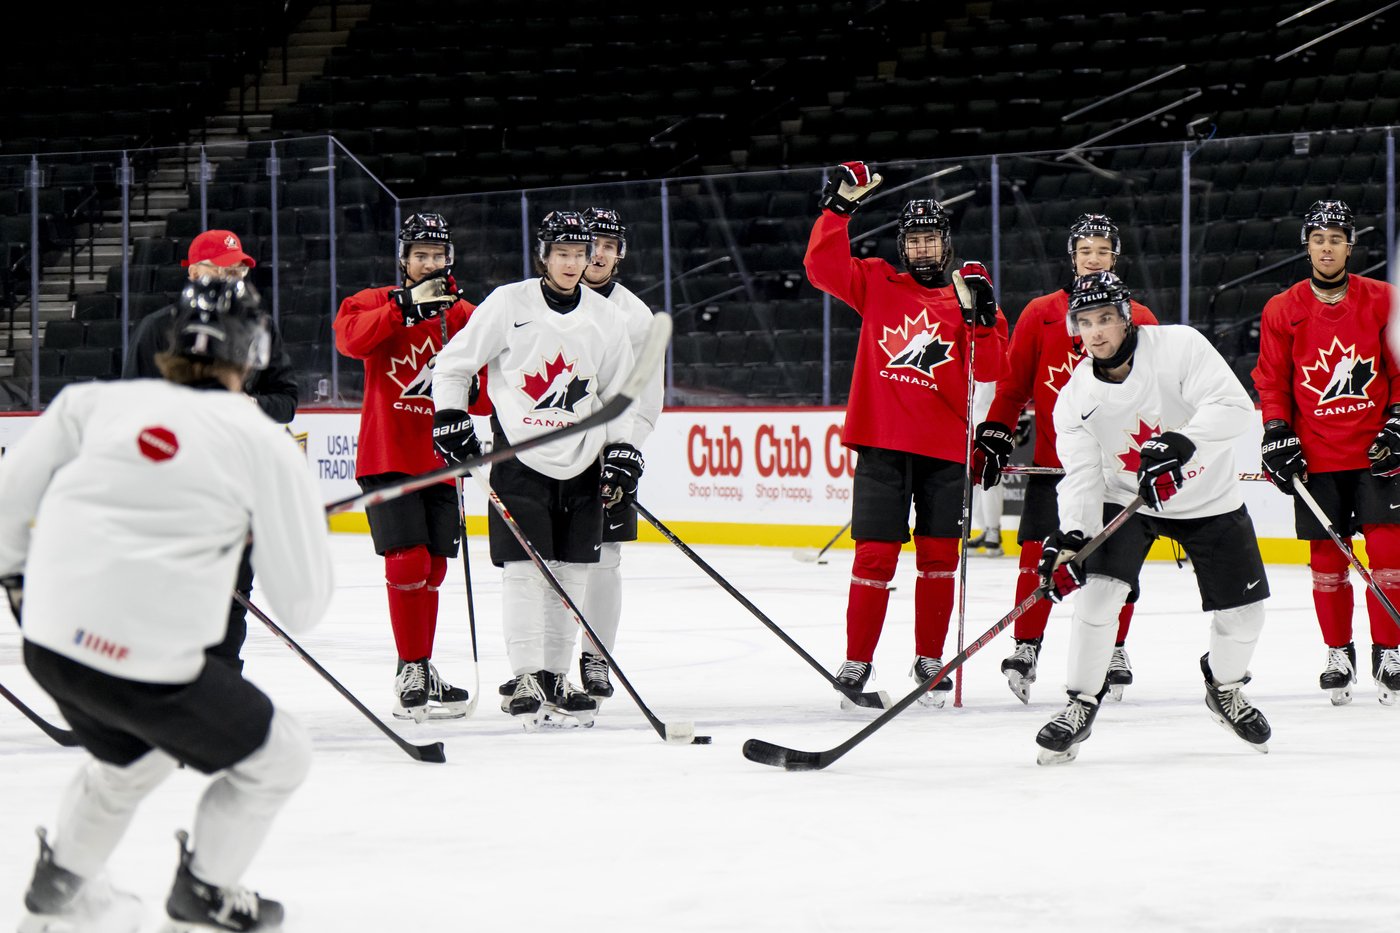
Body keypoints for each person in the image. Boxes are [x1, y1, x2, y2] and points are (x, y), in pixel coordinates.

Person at [2, 278, 333, 930]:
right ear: (253, 353)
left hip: (48, 645)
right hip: (149, 666)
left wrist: (16, 583)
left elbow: (9, 496)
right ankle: (205, 892)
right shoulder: (262, 439)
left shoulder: (92, 402)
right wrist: (280, 529)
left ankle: (61, 889)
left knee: (134, 757)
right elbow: (302, 606)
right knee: (281, 755)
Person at [1033, 271, 1271, 764]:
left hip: (1209, 498)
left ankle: (1225, 688)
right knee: (1099, 598)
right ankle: (1081, 701)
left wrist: (1183, 441)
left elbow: (1233, 408)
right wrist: (1072, 536)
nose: (1096, 332)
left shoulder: (1179, 346)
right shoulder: (1075, 398)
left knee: (1245, 613)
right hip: (1127, 499)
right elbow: (1082, 476)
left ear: (1126, 318)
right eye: (1084, 322)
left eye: (1105, 318)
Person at [804, 160, 1009, 707]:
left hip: (946, 451)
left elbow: (993, 370)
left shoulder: (969, 299)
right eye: (913, 240)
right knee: (874, 557)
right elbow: (821, 268)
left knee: (939, 560)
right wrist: (838, 211)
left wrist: (984, 321)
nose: (922, 249)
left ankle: (929, 658)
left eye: (930, 239)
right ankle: (857, 659)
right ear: (902, 245)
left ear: (946, 243)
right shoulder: (877, 282)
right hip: (882, 446)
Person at [432, 210, 638, 727]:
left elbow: (619, 393)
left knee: (573, 571)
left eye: (580, 253)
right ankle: (526, 674)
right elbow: (454, 363)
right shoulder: (508, 303)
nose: (572, 263)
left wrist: (622, 450)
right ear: (543, 255)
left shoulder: (607, 317)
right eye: (562, 253)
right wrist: (450, 414)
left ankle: (555, 675)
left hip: (584, 458)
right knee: (526, 571)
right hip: (519, 455)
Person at [974, 214, 1160, 701]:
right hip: (1055, 467)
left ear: (1115, 258)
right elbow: (1013, 387)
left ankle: (1114, 648)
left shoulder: (1140, 318)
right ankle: (1027, 646)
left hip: (1118, 470)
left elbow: (1160, 393)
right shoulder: (1041, 313)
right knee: (1037, 557)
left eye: (1103, 251)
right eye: (1085, 251)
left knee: (1119, 566)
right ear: (1072, 258)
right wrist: (994, 431)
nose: (1093, 259)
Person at [123, 228, 299, 675]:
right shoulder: (157, 329)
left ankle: (221, 688)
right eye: (220, 270)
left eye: (237, 271)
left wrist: (252, 404)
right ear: (194, 272)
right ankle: (163, 686)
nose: (230, 278)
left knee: (232, 599)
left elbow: (286, 400)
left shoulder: (259, 328)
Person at [333, 211, 483, 722]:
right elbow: (350, 341)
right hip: (388, 454)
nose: (430, 263)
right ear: (404, 259)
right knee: (407, 562)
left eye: (438, 255)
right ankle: (413, 668)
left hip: (441, 457)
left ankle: (417, 666)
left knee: (434, 567)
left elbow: (486, 391)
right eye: (421, 255)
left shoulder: (464, 315)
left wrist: (472, 393)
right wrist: (401, 309)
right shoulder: (373, 301)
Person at [1251, 199, 1400, 706]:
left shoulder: (1384, 300)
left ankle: (1388, 651)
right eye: (1319, 239)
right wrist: (1276, 429)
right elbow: (1273, 381)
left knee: (1388, 556)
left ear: (1350, 246)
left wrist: (1398, 421)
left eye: (1336, 239)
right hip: (1316, 458)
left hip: (1378, 453)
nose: (1327, 248)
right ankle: (1339, 653)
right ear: (1307, 246)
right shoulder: (1282, 309)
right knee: (1326, 562)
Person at [575, 206, 665, 697]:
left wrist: (624, 451)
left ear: (619, 253)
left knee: (605, 558)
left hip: (608, 453)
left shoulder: (636, 316)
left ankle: (596, 658)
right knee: (546, 563)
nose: (598, 254)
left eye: (608, 245)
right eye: (592, 243)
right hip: (549, 452)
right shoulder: (536, 302)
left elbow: (646, 399)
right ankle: (540, 667)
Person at [966, 380, 1005, 556]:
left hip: (990, 420)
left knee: (989, 475)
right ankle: (987, 529)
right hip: (971, 419)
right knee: (973, 479)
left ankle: (992, 530)